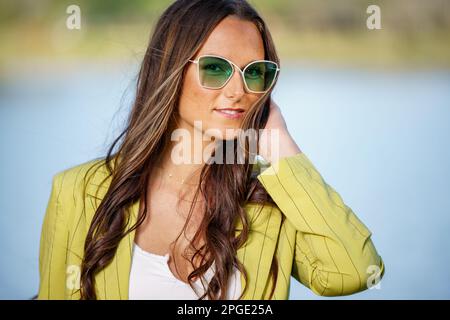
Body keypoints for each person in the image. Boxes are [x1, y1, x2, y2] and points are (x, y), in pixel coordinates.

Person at [37, 0, 385, 300]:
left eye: (255, 73)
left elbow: (355, 269)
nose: (238, 90)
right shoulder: (78, 193)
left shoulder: (268, 204)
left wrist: (280, 144)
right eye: (216, 68)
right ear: (171, 72)